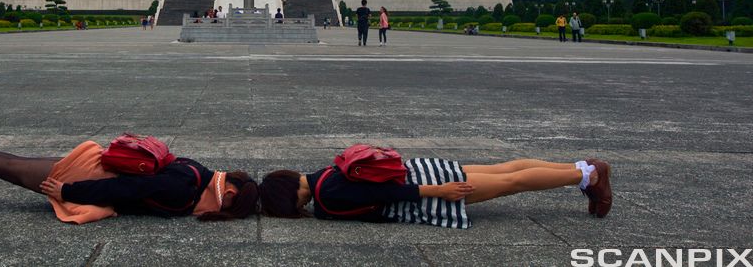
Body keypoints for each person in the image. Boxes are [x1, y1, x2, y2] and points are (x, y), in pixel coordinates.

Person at [0, 141, 258, 223]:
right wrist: (68, 191)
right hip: (88, 176)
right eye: (230, 205)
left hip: (93, 166)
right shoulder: (184, 188)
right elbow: (127, 189)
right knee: (10, 168)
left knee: (14, 165)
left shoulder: (198, 172)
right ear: (228, 191)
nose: (222, 212)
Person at [260, 155, 612, 228]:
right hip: (422, 168)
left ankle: (587, 177)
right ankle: (578, 167)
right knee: (504, 169)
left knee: (510, 183)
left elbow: (386, 196)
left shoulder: (327, 194)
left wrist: (440, 192)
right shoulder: (322, 173)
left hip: (427, 185)